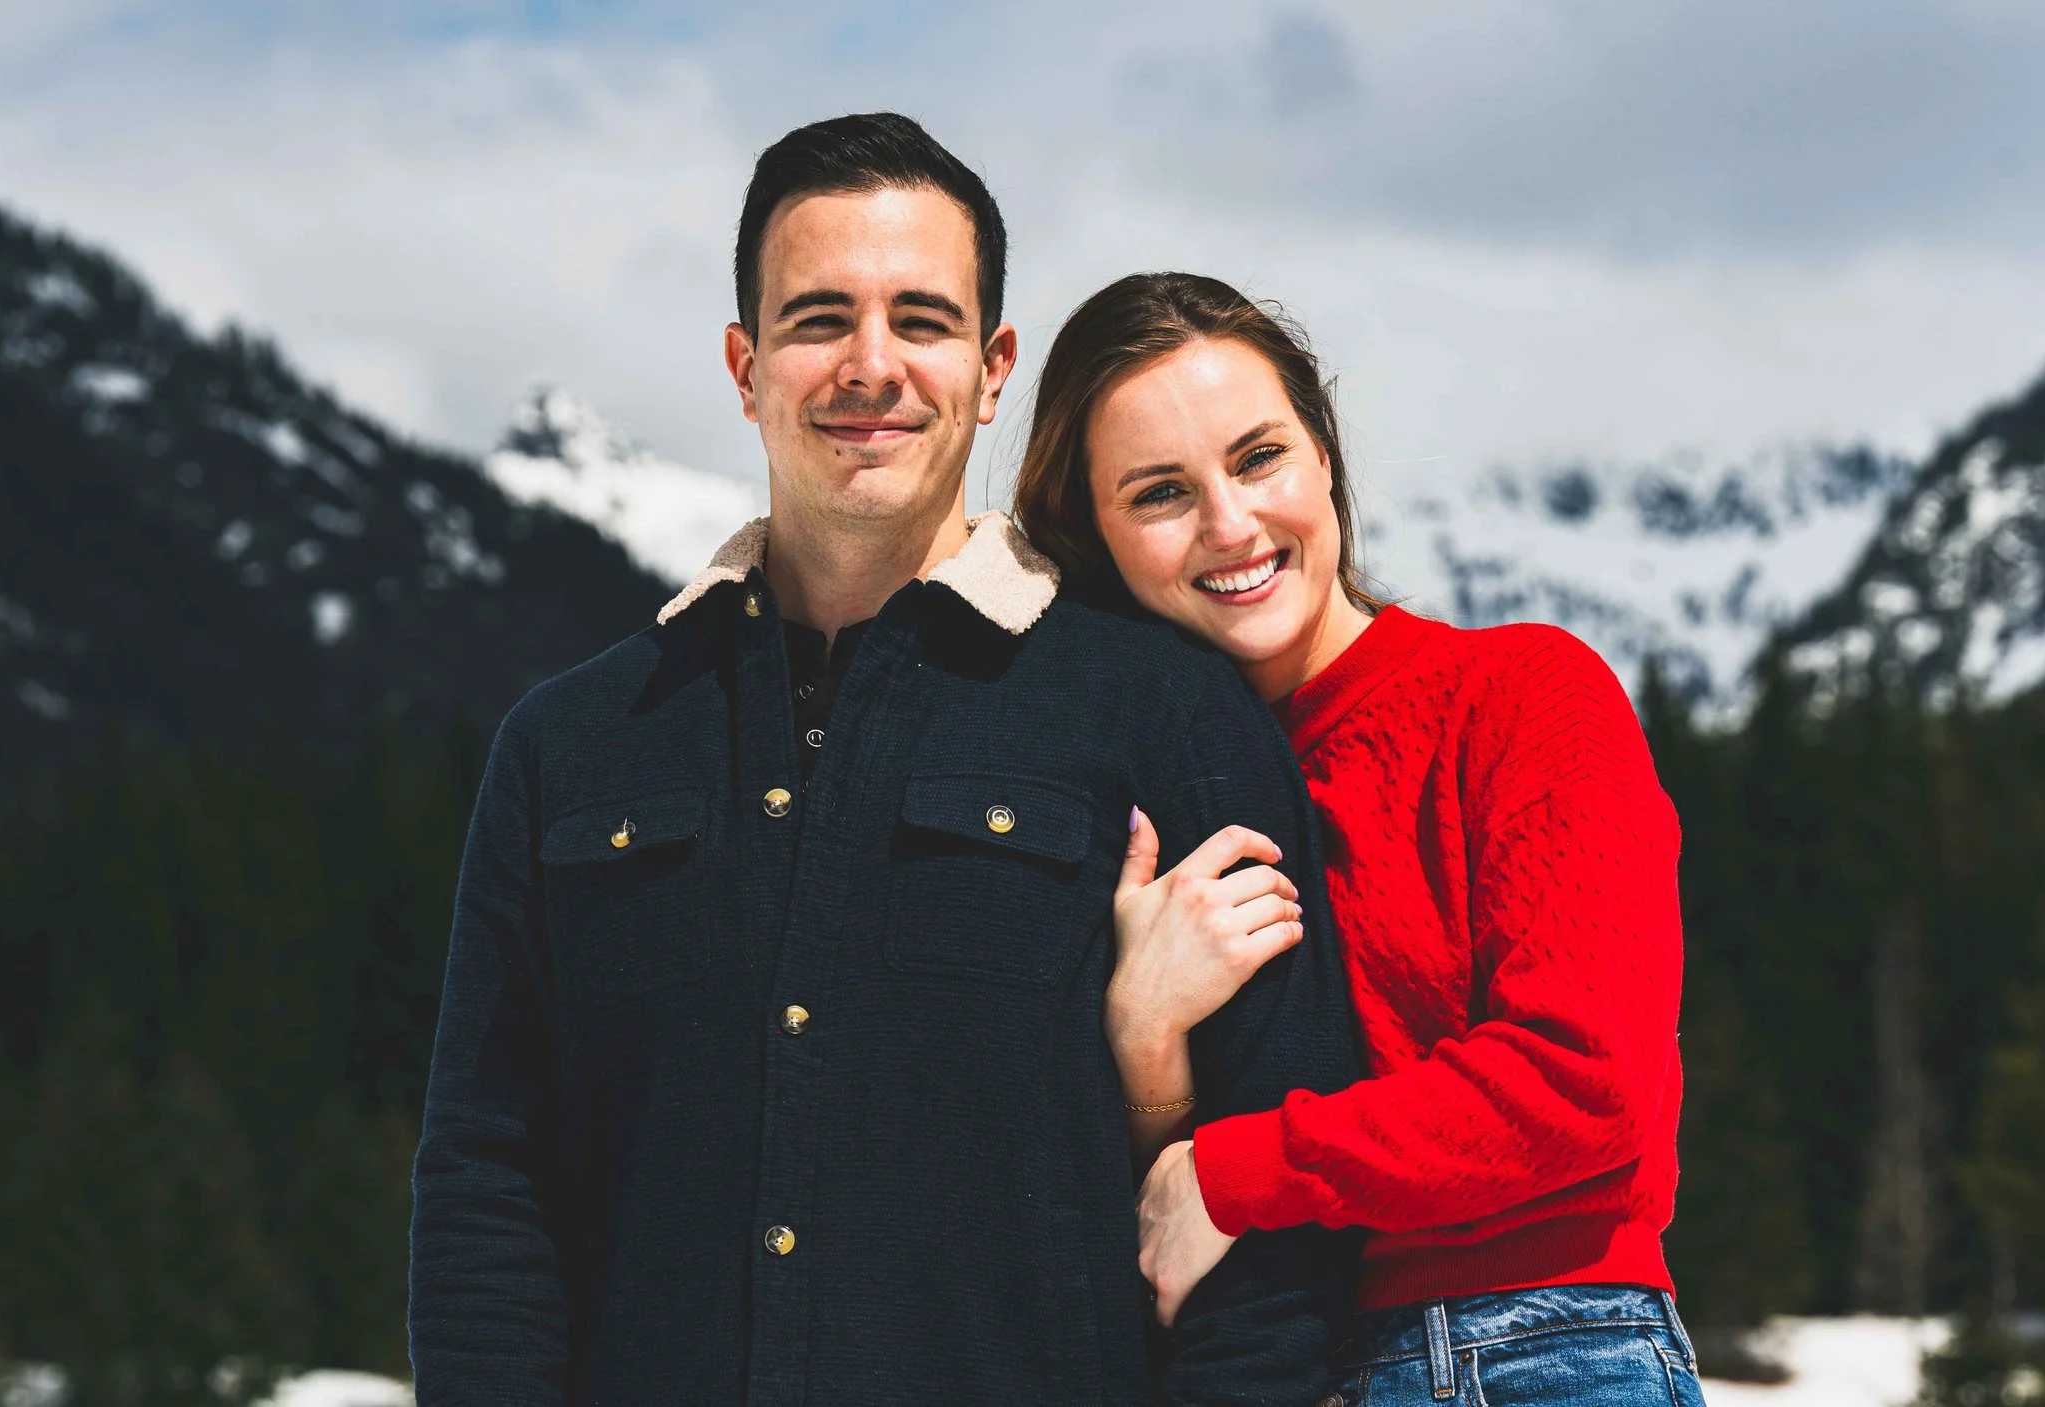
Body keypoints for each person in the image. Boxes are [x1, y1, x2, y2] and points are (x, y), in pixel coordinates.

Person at [408, 118, 1362, 1405]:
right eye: (816, 320)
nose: (871, 365)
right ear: (745, 368)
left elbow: (1279, 1205)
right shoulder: (569, 746)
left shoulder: (1164, 712)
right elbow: (488, 1176)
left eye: (921, 319)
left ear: (991, 366)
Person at [1014, 272, 1701, 1407]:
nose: (1230, 525)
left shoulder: (1520, 697)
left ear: (1323, 454)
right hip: (1281, 1366)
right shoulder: (1122, 812)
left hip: (1537, 1347)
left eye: (1257, 458)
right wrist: (1143, 1031)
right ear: (1095, 537)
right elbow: (1127, 1206)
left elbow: (1585, 1084)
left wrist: (1239, 1175)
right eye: (1159, 493)